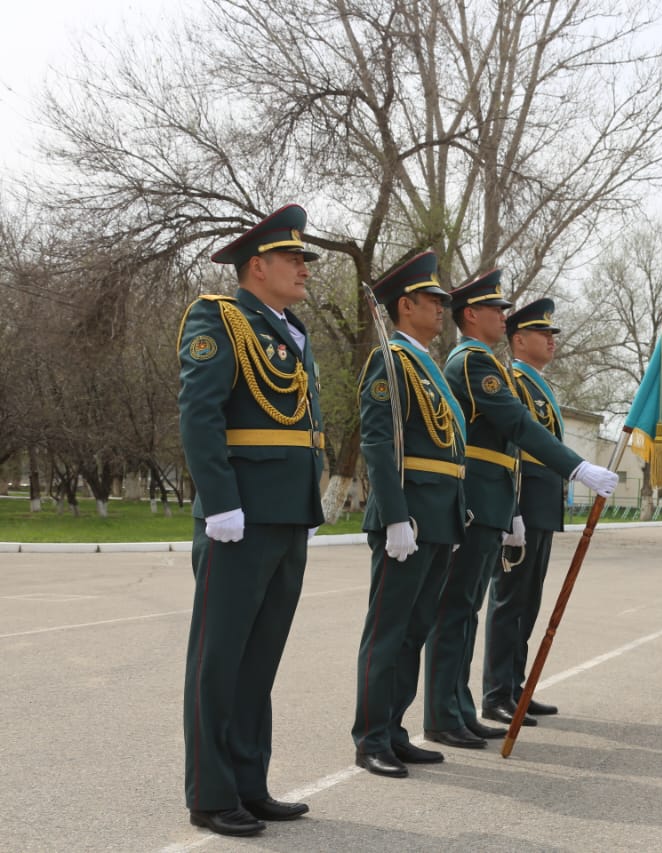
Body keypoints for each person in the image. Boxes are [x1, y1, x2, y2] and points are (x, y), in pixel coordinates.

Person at [177, 205, 325, 836]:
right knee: (219, 659)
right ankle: (211, 794)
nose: (303, 269)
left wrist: (309, 503)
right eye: (293, 259)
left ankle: (248, 782)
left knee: (259, 659)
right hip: (238, 517)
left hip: (287, 516)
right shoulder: (219, 317)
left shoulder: (291, 331)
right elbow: (200, 415)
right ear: (256, 265)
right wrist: (221, 501)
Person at [424, 270, 618, 749]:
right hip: (476, 498)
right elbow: (517, 427)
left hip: (496, 498)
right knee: (459, 610)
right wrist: (578, 469)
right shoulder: (473, 363)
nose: (504, 317)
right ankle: (450, 711)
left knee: (468, 610)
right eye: (497, 310)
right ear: (472, 315)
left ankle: (460, 709)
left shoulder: (482, 362)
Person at [351, 251, 466, 778]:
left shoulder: (424, 365)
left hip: (437, 516)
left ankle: (394, 729)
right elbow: (378, 442)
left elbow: (448, 448)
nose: (442, 309)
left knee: (415, 629)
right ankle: (371, 737)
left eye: (443, 302)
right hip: (409, 519)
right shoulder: (390, 359)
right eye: (433, 301)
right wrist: (394, 515)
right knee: (388, 631)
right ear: (405, 305)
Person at [481, 298, 567, 724]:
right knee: (509, 600)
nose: (552, 341)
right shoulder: (512, 382)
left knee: (528, 601)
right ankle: (497, 693)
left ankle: (515, 686)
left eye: (552, 334)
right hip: (522, 504)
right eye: (543, 334)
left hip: (542, 505)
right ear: (519, 340)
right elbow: (513, 447)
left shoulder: (539, 385)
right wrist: (512, 509)